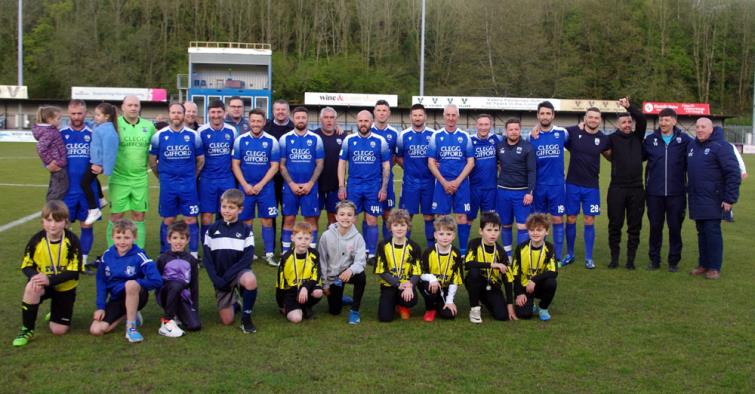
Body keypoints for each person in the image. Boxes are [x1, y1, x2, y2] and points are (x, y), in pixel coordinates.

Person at [13, 201, 82, 347]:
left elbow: (74, 270)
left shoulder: (72, 241)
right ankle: (27, 329)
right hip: (44, 283)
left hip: (65, 287)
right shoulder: (36, 241)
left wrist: (49, 280)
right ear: (42, 221)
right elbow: (26, 266)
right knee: (32, 287)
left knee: (58, 330)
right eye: (49, 220)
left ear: (65, 222)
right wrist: (35, 277)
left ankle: (56, 311)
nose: (53, 225)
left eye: (58, 220)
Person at [89, 219, 163, 343]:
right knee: (97, 330)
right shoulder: (106, 256)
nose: (122, 241)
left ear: (134, 238)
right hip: (117, 298)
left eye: (127, 237)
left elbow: (157, 280)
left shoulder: (139, 255)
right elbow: (101, 282)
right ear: (112, 237)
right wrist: (100, 307)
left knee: (131, 284)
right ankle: (130, 315)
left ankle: (131, 328)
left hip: (138, 295)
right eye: (118, 237)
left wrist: (136, 283)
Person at [686, 119, 741, 280]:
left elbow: (733, 173)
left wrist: (729, 199)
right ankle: (703, 264)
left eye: (703, 127)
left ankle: (714, 267)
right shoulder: (692, 146)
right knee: (701, 233)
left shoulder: (721, 146)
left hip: (714, 199)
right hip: (697, 198)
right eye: (697, 127)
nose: (699, 130)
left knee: (712, 233)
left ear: (711, 129)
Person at [149, 103, 204, 257]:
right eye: (173, 112)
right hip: (168, 185)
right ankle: (166, 253)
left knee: (190, 218)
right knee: (169, 218)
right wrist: (161, 177)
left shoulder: (193, 135)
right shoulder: (159, 136)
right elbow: (153, 161)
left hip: (188, 184)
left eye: (179, 112)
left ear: (184, 114)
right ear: (169, 114)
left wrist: (193, 175)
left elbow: (200, 159)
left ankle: (193, 254)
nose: (176, 115)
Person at [202, 189, 258, 333]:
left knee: (250, 280)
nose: (226, 211)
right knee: (227, 321)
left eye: (231, 208)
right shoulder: (212, 230)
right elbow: (207, 259)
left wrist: (228, 277)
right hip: (220, 278)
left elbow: (247, 259)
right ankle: (236, 304)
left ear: (240, 210)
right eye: (224, 207)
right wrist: (217, 279)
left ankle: (246, 318)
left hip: (238, 273)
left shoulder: (246, 230)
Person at [643, 108, 692, 271]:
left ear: (674, 121)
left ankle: (673, 261)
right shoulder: (650, 140)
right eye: (661, 120)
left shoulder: (684, 140)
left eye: (666, 120)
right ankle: (654, 260)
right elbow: (636, 157)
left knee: (675, 228)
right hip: (654, 194)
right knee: (655, 228)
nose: (663, 123)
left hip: (676, 193)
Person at [337, 110, 391, 260]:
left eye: (366, 121)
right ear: (357, 122)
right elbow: (341, 164)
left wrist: (384, 188)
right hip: (354, 185)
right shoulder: (349, 140)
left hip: (373, 186)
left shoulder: (380, 141)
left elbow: (386, 166)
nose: (363, 124)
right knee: (350, 219)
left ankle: (371, 253)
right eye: (360, 121)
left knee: (372, 219)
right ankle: (349, 251)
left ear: (371, 121)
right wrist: (342, 186)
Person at [562, 107, 611, 269]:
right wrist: (535, 128)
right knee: (571, 218)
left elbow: (610, 156)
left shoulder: (603, 139)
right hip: (572, 184)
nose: (593, 120)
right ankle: (570, 254)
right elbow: (556, 131)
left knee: (590, 219)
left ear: (600, 120)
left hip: (592, 187)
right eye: (590, 117)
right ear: (585, 118)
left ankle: (589, 258)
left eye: (596, 118)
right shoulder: (575, 133)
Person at [232, 108, 280, 266]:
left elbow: (274, 166)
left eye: (259, 121)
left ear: (264, 122)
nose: (256, 124)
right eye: (253, 121)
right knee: (246, 221)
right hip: (245, 188)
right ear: (249, 122)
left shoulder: (272, 141)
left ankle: (269, 254)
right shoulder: (241, 140)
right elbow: (235, 164)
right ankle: (248, 252)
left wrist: (260, 184)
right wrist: (245, 185)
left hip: (265, 188)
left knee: (267, 220)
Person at [605, 98, 647, 269]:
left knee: (634, 226)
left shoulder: (638, 137)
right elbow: (595, 145)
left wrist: (629, 107)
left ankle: (630, 260)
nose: (627, 124)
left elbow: (642, 119)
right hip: (617, 189)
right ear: (618, 124)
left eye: (629, 121)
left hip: (637, 189)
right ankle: (614, 258)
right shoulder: (611, 139)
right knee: (615, 225)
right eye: (624, 122)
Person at [110, 95, 157, 248]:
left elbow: (158, 146)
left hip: (140, 179)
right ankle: (112, 253)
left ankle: (138, 252)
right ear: (122, 107)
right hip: (119, 178)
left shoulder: (148, 126)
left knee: (139, 216)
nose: (133, 108)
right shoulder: (114, 125)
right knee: (116, 216)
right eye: (129, 105)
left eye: (136, 105)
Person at [428, 104, 475, 256]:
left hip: (461, 184)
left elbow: (471, 162)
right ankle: (442, 250)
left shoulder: (465, 136)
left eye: (453, 115)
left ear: (458, 117)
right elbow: (430, 162)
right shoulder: (436, 136)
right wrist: (444, 182)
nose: (450, 118)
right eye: (448, 115)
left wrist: (457, 182)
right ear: (444, 116)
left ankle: (462, 252)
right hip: (442, 184)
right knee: (441, 217)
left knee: (461, 217)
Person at [279, 106, 324, 252]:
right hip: (290, 187)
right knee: (289, 219)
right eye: (297, 117)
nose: (300, 120)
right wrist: (291, 184)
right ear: (293, 119)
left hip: (310, 187)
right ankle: (286, 253)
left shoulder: (316, 139)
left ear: (307, 119)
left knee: (310, 220)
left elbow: (319, 164)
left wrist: (310, 183)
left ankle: (310, 253)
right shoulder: (285, 139)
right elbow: (282, 165)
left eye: (303, 117)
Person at [58, 101, 97, 268]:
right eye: (73, 114)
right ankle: (64, 259)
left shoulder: (93, 133)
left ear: (85, 113)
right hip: (67, 189)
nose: (76, 117)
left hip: (88, 189)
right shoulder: (61, 133)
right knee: (62, 225)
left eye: (79, 113)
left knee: (86, 225)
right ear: (69, 113)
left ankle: (82, 262)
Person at [529, 101, 568, 262]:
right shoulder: (531, 137)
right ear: (538, 115)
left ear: (553, 115)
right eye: (542, 113)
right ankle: (539, 252)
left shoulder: (562, 133)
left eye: (548, 113)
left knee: (558, 218)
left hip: (557, 185)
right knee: (539, 218)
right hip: (539, 185)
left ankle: (557, 256)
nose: (545, 116)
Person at [318, 200, 367, 324]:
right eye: (342, 214)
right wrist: (325, 284)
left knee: (361, 277)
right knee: (334, 311)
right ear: (336, 217)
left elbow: (361, 261)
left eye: (349, 215)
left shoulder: (358, 238)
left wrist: (351, 270)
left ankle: (354, 311)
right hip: (333, 276)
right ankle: (339, 297)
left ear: (355, 218)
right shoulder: (326, 236)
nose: (346, 218)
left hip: (348, 273)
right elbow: (322, 261)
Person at [495, 118, 536, 259]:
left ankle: (520, 256)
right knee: (505, 225)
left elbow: (532, 171)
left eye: (516, 129)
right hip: (503, 192)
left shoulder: (528, 147)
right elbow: (492, 164)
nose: (513, 132)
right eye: (511, 129)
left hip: (521, 193)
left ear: (520, 130)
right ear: (506, 131)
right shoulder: (499, 146)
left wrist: (529, 192)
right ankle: (508, 255)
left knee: (522, 226)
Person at [464, 212, 515, 323]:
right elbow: (467, 264)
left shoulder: (501, 252)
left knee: (502, 316)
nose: (493, 234)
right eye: (489, 230)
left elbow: (508, 279)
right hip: (475, 281)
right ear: (481, 231)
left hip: (492, 286)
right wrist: (492, 265)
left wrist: (510, 305)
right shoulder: (474, 244)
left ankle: (483, 300)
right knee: (474, 272)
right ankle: (474, 308)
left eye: (496, 230)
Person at [397, 103, 436, 245]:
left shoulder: (433, 135)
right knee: (407, 216)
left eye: (420, 115)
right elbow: (399, 156)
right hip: (410, 182)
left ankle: (431, 247)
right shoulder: (403, 135)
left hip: (429, 182)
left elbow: (438, 156)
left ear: (425, 116)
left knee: (429, 216)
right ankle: (404, 247)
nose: (418, 118)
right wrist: (408, 168)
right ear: (410, 117)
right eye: (415, 115)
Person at [198, 100, 238, 240]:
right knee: (207, 215)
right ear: (208, 113)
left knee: (228, 213)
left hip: (227, 179)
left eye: (219, 112)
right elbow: (198, 157)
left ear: (224, 113)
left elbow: (235, 155)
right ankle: (208, 246)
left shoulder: (231, 131)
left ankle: (225, 244)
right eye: (213, 112)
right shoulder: (201, 131)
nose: (216, 115)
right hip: (207, 180)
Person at [374, 209, 422, 322]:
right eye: (396, 225)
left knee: (410, 300)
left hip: (406, 285)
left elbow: (417, 271)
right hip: (389, 284)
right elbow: (381, 270)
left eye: (402, 225)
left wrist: (410, 285)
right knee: (385, 318)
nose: (399, 228)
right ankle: (393, 303)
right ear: (390, 227)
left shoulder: (414, 246)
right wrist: (397, 283)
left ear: (408, 227)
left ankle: (403, 305)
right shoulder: (383, 245)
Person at [155, 221, 201, 337]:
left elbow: (194, 285)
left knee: (195, 326)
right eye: (175, 238)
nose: (178, 241)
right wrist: (160, 296)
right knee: (176, 284)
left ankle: (178, 314)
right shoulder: (162, 258)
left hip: (183, 296)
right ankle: (167, 321)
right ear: (169, 239)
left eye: (182, 238)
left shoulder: (191, 260)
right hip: (166, 293)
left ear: (188, 240)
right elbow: (157, 282)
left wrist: (194, 307)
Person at [511, 213, 558, 321]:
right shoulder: (521, 248)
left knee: (551, 282)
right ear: (528, 231)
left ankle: (543, 307)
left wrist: (534, 280)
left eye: (539, 230)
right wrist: (519, 293)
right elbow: (515, 273)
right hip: (524, 287)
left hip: (539, 285)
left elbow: (553, 271)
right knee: (524, 315)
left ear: (546, 231)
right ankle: (530, 303)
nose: (535, 233)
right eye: (532, 230)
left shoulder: (549, 248)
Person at [79, 102, 119, 227]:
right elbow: (91, 124)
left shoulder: (109, 131)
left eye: (98, 115)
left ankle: (94, 209)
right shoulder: (100, 127)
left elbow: (110, 152)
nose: (95, 117)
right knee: (91, 180)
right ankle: (101, 199)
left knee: (84, 183)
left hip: (97, 163)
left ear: (106, 116)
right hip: (94, 161)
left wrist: (103, 168)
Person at [276, 222, 324, 323]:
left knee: (318, 292)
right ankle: (298, 308)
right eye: (300, 238)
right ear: (292, 238)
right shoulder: (286, 258)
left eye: (306, 239)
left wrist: (305, 287)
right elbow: (280, 284)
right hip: (292, 292)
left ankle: (305, 306)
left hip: (308, 287)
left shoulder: (314, 254)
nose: (303, 242)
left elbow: (317, 274)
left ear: (311, 239)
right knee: (296, 319)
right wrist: (281, 305)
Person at [419, 215, 463, 322]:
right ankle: (430, 309)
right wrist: (432, 278)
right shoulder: (429, 252)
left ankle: (440, 302)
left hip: (445, 287)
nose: (445, 237)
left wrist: (449, 301)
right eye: (441, 234)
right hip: (430, 284)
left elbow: (455, 279)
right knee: (429, 287)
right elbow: (420, 273)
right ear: (435, 235)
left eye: (449, 234)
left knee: (449, 315)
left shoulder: (456, 253)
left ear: (453, 236)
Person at [370, 100, 400, 240]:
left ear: (389, 113)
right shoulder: (367, 130)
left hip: (388, 180)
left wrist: (385, 168)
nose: (381, 113)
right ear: (374, 112)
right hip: (370, 179)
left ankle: (388, 245)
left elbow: (396, 156)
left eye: (384, 111)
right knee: (370, 213)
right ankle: (368, 249)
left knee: (387, 214)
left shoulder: (394, 133)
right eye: (379, 110)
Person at [469, 114, 502, 222]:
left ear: (491, 125)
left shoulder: (497, 139)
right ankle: (465, 240)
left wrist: (536, 129)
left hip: (491, 188)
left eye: (486, 124)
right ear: (476, 126)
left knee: (489, 220)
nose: (483, 127)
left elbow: (514, 140)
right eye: (481, 124)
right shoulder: (469, 141)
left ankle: (488, 240)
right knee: (468, 219)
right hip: (473, 188)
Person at [314, 107, 344, 225]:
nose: (329, 120)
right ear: (321, 119)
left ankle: (330, 243)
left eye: (332, 118)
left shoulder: (342, 136)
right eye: (326, 117)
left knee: (333, 219)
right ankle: (312, 243)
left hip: (335, 185)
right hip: (316, 184)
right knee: (313, 217)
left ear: (336, 120)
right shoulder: (314, 136)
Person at [32, 105, 68, 201]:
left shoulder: (51, 130)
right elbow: (40, 147)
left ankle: (51, 209)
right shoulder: (49, 132)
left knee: (55, 188)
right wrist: (50, 162)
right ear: (49, 119)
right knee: (60, 190)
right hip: (57, 164)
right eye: (58, 118)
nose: (60, 121)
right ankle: (52, 210)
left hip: (58, 163)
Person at [723, 144, 747, 222]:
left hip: (728, 173)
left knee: (727, 193)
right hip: (719, 173)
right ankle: (726, 215)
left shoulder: (729, 145)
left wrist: (743, 171)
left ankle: (728, 216)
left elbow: (738, 158)